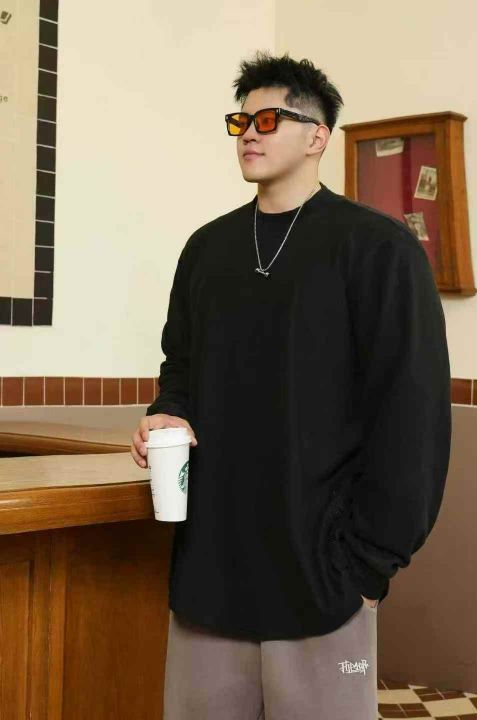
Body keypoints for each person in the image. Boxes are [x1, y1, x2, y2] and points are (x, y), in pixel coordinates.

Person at [130, 50, 452, 720]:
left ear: (317, 137)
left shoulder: (380, 251)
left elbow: (412, 419)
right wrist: (168, 413)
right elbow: (179, 368)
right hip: (210, 572)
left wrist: (368, 568)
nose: (249, 132)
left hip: (323, 580)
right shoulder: (207, 249)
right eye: (240, 121)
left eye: (269, 119)